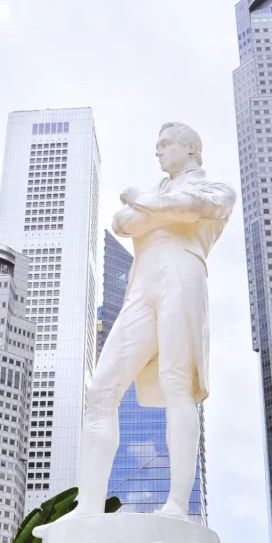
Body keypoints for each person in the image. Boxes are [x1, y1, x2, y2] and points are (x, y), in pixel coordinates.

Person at [70, 121, 235, 521]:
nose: (158, 152)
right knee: (102, 390)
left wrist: (146, 205)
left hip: (182, 276)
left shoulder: (217, 189)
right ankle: (87, 507)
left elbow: (196, 208)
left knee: (178, 384)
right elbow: (122, 223)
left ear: (191, 149)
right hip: (142, 287)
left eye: (165, 145)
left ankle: (177, 504)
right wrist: (154, 207)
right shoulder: (156, 196)